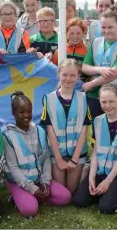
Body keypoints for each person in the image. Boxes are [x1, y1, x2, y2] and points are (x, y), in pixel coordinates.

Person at [73, 84, 117, 213]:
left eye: (111, 101)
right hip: (100, 170)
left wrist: (108, 182)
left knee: (105, 208)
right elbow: (95, 153)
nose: (107, 105)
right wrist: (91, 176)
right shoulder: (97, 121)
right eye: (104, 101)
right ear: (99, 101)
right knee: (79, 201)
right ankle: (107, 191)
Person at [3, 91, 71, 218]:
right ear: (13, 113)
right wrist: (32, 188)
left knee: (65, 198)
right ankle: (19, 197)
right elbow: (13, 168)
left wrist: (45, 181)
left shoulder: (39, 130)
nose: (26, 115)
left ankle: (35, 197)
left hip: (39, 180)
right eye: (21, 112)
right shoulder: (7, 136)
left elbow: (45, 158)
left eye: (29, 111)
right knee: (30, 211)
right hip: (20, 182)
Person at [41, 59, 91, 193]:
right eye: (65, 75)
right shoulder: (48, 99)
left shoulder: (83, 98)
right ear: (59, 75)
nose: (68, 79)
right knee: (63, 192)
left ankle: (86, 167)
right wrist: (58, 159)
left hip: (77, 153)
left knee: (72, 190)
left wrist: (75, 160)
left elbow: (84, 130)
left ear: (78, 76)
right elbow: (50, 130)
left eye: (72, 75)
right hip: (57, 154)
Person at [82, 8, 117, 119]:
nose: (106, 30)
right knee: (94, 132)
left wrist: (91, 84)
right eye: (103, 27)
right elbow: (85, 67)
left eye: (110, 27)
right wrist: (99, 69)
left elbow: (115, 73)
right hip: (94, 96)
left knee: (116, 132)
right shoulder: (95, 42)